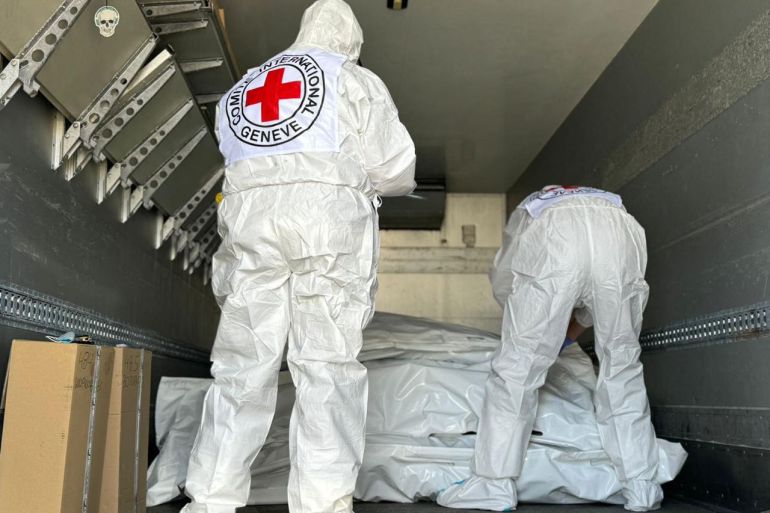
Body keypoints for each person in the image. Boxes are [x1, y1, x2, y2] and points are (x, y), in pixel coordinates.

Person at [181, 1, 416, 512]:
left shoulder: (243, 88)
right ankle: (322, 504)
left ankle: (208, 501)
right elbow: (397, 169)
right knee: (325, 369)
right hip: (325, 230)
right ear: (350, 41)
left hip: (251, 232)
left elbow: (235, 154)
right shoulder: (352, 80)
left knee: (242, 369)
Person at [438, 185, 663, 512]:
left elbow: (506, 283)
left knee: (516, 370)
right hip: (621, 233)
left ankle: (493, 484)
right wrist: (566, 332)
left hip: (556, 237)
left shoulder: (531, 208)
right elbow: (595, 304)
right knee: (622, 365)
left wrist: (532, 335)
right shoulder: (606, 203)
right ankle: (642, 487)